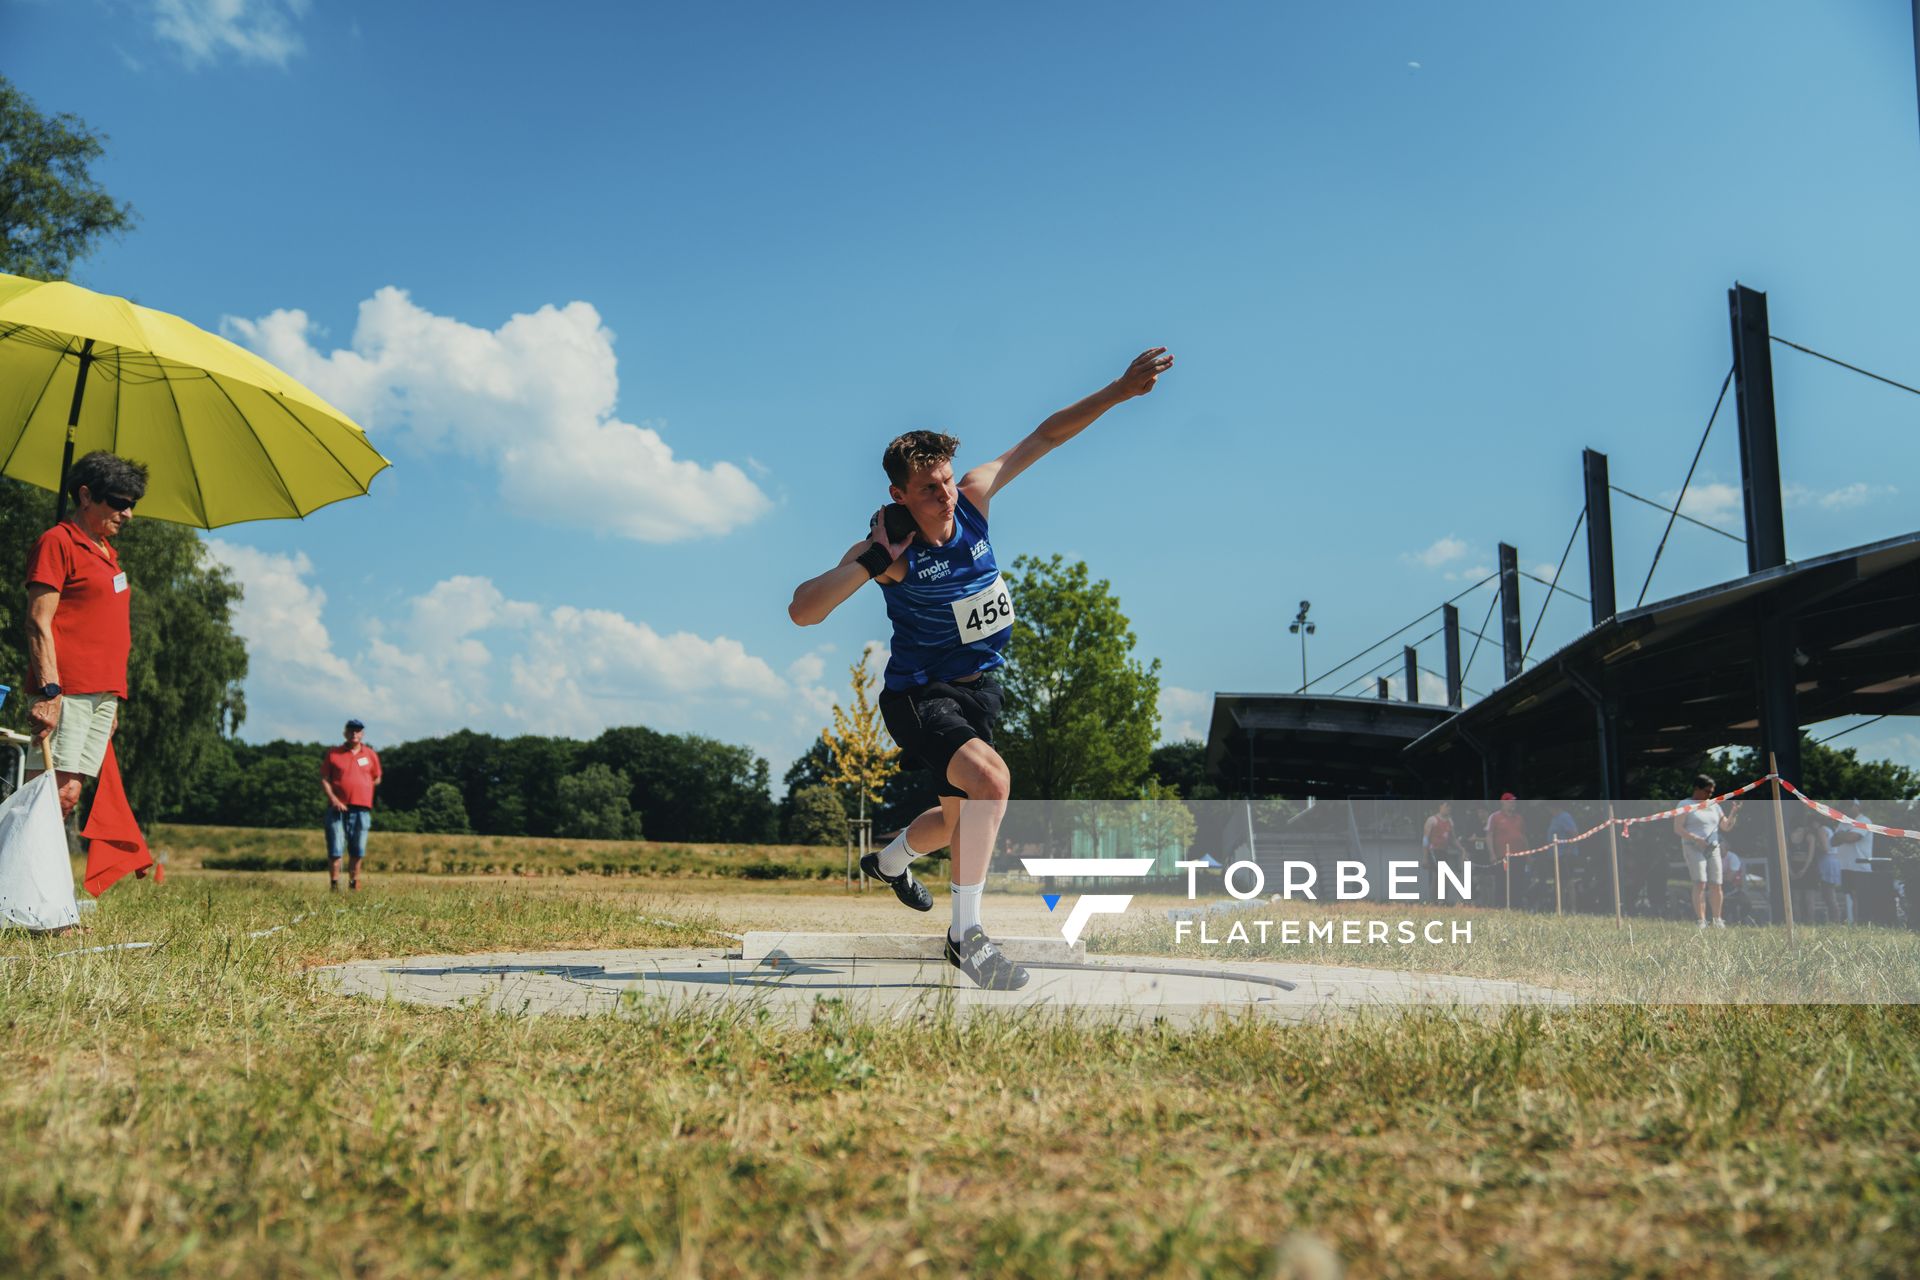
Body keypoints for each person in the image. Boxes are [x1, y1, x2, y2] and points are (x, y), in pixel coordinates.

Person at [787, 347, 1175, 989]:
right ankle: (965, 937)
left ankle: (889, 862)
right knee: (992, 784)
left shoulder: (971, 497)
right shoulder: (887, 547)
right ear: (898, 495)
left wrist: (1118, 391)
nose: (942, 497)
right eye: (926, 490)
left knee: (956, 820)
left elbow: (1044, 436)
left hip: (980, 693)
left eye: (944, 481)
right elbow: (804, 611)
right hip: (918, 696)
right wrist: (867, 562)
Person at [22, 452, 147, 817]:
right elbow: (37, 621)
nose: (128, 514)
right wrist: (49, 691)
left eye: (132, 505)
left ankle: (37, 875)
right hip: (67, 689)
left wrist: (111, 698)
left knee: (67, 796)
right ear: (86, 496)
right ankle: (13, 872)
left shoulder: (108, 554)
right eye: (120, 503)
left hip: (101, 694)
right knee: (45, 795)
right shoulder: (57, 542)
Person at [319, 719, 382, 891]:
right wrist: (334, 799)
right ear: (345, 733)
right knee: (336, 847)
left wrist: (364, 786)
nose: (354, 734)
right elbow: (325, 779)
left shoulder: (370, 755)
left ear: (362, 734)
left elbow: (377, 777)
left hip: (362, 808)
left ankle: (354, 883)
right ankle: (334, 884)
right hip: (337, 808)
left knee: (358, 848)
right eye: (351, 730)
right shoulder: (334, 754)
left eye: (358, 731)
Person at [1673, 773, 1740, 929]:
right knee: (1700, 882)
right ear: (1697, 788)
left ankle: (1717, 919)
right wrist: (1696, 839)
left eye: (1711, 792)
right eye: (1707, 791)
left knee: (1716, 883)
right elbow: (1678, 828)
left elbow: (1726, 827)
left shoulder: (1714, 805)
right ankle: (1701, 920)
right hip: (1693, 847)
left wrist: (1734, 813)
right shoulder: (1685, 804)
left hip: (1713, 847)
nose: (1710, 795)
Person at [1828, 799, 1873, 924]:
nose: (1845, 810)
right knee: (1852, 896)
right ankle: (1856, 923)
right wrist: (1844, 835)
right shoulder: (1843, 823)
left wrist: (1842, 836)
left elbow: (1853, 838)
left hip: (1860, 866)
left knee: (1860, 897)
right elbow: (1833, 841)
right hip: (1846, 865)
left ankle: (1863, 923)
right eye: (1843, 807)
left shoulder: (1864, 821)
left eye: (1848, 806)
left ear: (1856, 806)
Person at [1485, 792, 1527, 909]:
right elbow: (1489, 835)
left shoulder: (1519, 818)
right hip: (1502, 856)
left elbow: (1523, 836)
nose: (1512, 804)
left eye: (1514, 801)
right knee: (1502, 882)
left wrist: (1528, 854)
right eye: (1510, 801)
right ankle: (1500, 906)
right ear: (1503, 802)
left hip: (1519, 855)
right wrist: (1492, 854)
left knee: (1517, 881)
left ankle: (1516, 906)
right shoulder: (1495, 817)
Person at [1421, 800, 1464, 902]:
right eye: (1446, 806)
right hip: (1433, 851)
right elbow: (1425, 838)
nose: (1448, 808)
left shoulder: (1450, 821)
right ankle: (1434, 900)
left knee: (1443, 877)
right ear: (1440, 806)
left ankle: (1441, 900)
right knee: (1441, 875)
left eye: (1450, 807)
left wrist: (1461, 849)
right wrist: (1425, 857)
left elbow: (1452, 838)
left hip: (1443, 851)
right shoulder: (1432, 820)